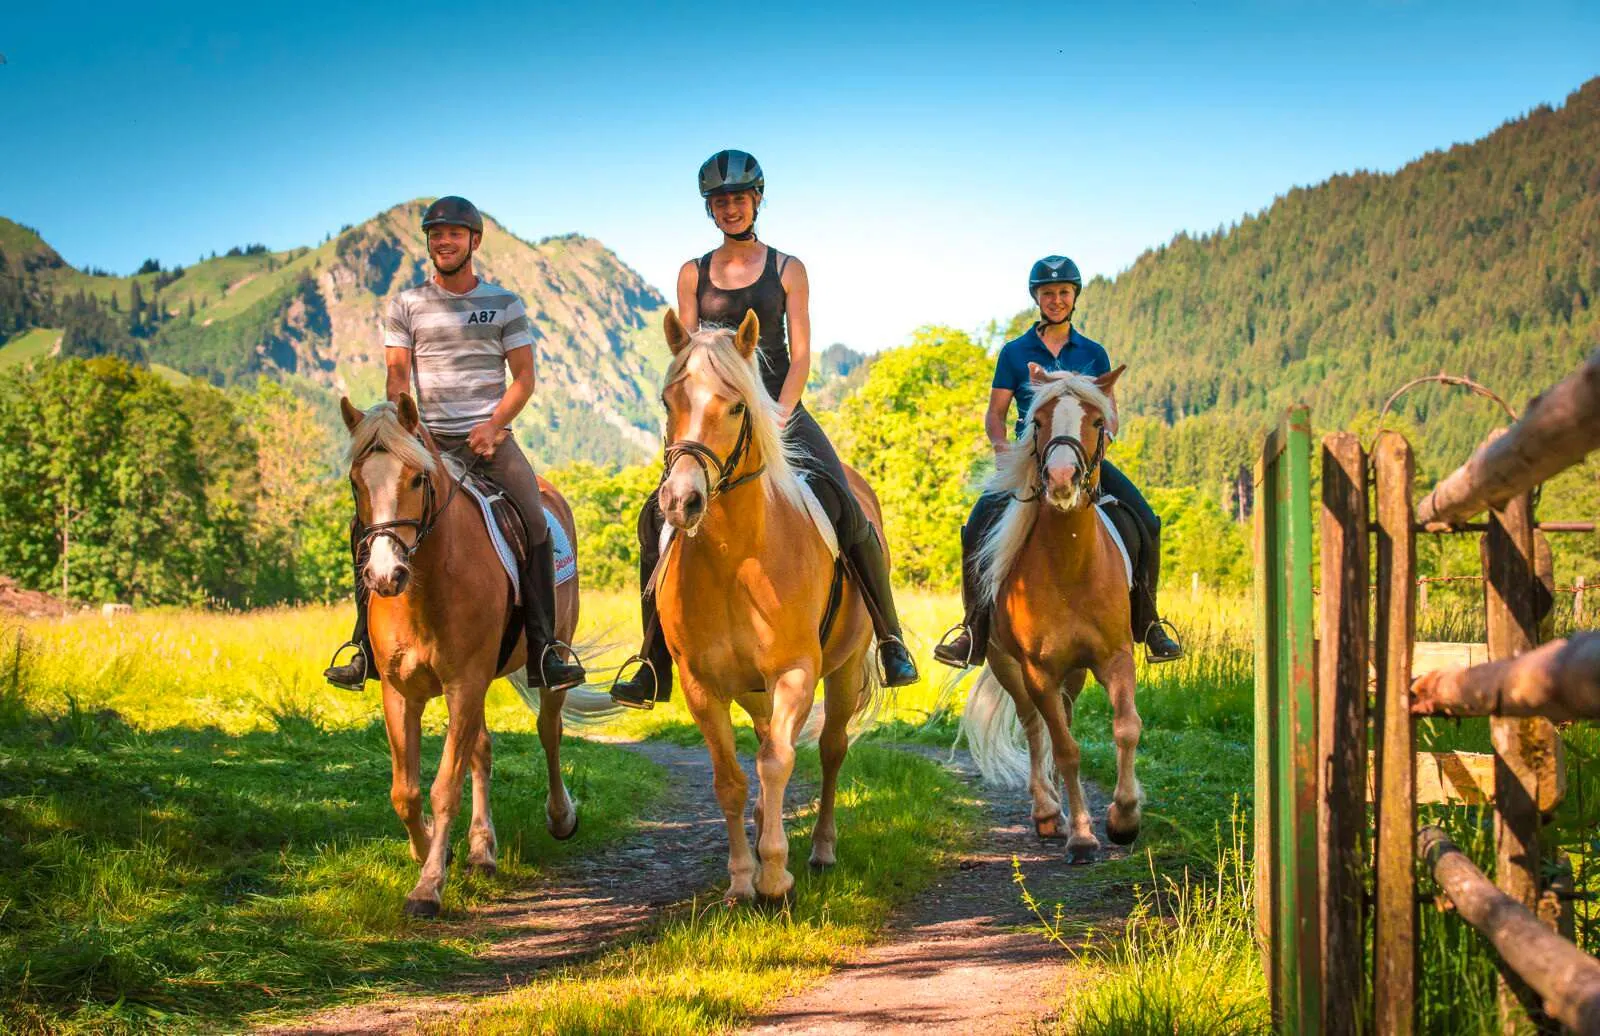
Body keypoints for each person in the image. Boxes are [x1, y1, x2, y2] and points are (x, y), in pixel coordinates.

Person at [609, 150, 919, 708]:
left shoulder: (787, 269)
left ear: (757, 200)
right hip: (717, 417)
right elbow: (685, 353)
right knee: (653, 517)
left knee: (844, 504)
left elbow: (800, 354)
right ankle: (652, 660)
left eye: (739, 198)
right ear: (711, 209)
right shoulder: (692, 272)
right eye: (720, 200)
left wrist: (779, 410)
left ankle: (890, 637)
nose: (730, 207)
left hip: (779, 412)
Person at [324, 196, 586, 692]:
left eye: (454, 234)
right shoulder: (406, 306)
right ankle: (362, 645)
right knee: (367, 523)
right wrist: (408, 434)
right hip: (427, 443)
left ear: (474, 241)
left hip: (490, 441)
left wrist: (494, 426)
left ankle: (547, 646)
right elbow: (397, 379)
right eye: (436, 234)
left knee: (534, 518)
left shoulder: (504, 303)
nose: (443, 241)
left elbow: (524, 378)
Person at [932, 255, 1184, 668]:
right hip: (1029, 464)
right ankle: (972, 629)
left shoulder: (1093, 353)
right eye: (1048, 293)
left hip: (1083, 462)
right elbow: (995, 415)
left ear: (1074, 297)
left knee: (1146, 522)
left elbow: (1110, 411)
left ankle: (1149, 622)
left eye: (1063, 292)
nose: (1056, 300)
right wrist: (1002, 454)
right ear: (1037, 297)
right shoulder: (1014, 353)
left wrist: (1103, 438)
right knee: (977, 525)